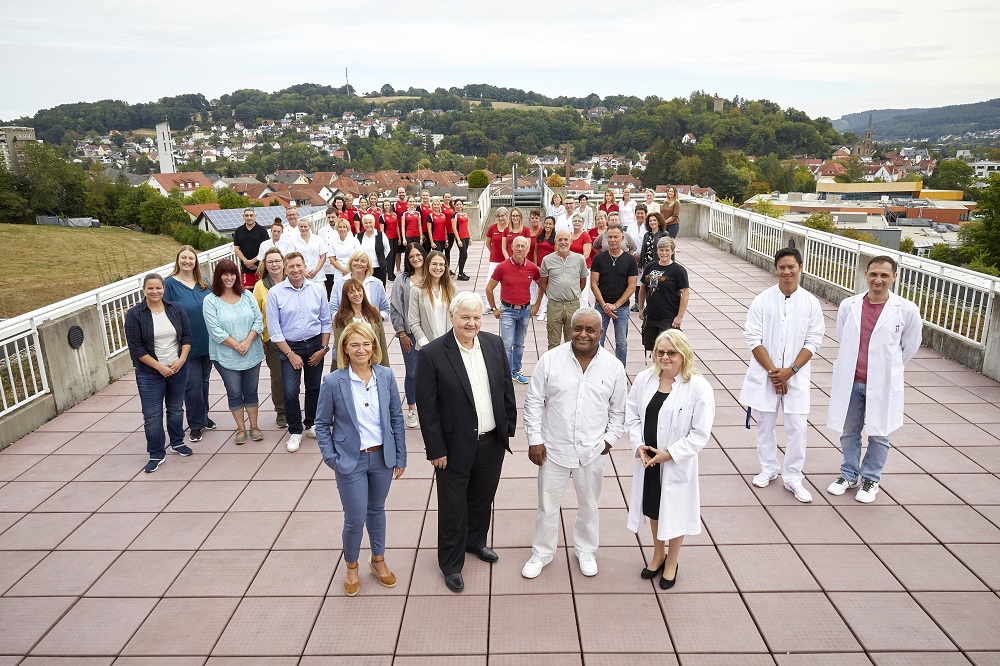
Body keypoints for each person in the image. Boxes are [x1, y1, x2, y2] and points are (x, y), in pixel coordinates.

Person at [416, 292, 516, 593]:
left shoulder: (494, 344)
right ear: (452, 318)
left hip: (490, 442)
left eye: (476, 317)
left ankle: (475, 542)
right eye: (465, 317)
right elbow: (427, 407)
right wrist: (436, 450)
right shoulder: (432, 353)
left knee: (482, 498)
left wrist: (507, 427)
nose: (471, 323)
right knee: (452, 506)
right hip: (453, 447)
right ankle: (450, 563)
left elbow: (505, 387)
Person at [521, 307, 627, 578]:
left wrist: (610, 439)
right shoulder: (550, 360)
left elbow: (619, 411)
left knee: (589, 504)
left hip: (593, 450)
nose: (583, 334)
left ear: (601, 333)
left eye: (590, 330)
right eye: (578, 328)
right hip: (553, 448)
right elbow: (534, 401)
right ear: (570, 329)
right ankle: (542, 552)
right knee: (547, 505)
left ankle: (586, 549)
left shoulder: (614, 366)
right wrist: (535, 439)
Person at [316, 322, 407, 595]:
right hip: (350, 461)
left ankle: (377, 559)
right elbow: (321, 424)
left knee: (377, 510)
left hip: (381, 458)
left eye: (366, 344)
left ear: (374, 347)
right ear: (344, 348)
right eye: (354, 344)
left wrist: (400, 455)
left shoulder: (386, 376)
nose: (361, 349)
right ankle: (352, 565)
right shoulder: (333, 381)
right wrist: (331, 457)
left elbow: (396, 419)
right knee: (355, 518)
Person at [826, 256, 923, 503]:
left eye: (884, 275)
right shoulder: (850, 305)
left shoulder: (906, 309)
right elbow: (843, 336)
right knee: (849, 431)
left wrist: (889, 369)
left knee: (879, 433)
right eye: (873, 274)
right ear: (866, 274)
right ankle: (848, 475)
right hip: (852, 380)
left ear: (894, 277)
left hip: (882, 383)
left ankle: (871, 479)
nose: (878, 279)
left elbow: (910, 346)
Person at [625, 329, 715, 589]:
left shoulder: (698, 387)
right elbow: (631, 416)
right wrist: (638, 445)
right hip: (648, 460)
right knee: (653, 507)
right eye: (660, 352)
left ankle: (672, 561)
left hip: (675, 463)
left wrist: (670, 454)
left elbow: (700, 434)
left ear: (684, 355)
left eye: (671, 352)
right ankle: (657, 555)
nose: (665, 357)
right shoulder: (644, 379)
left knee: (674, 511)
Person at [739, 248, 825, 503]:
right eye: (782, 267)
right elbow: (752, 337)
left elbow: (814, 340)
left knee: (797, 427)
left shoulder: (811, 302)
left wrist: (791, 371)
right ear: (776, 269)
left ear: (800, 267)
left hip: (796, 376)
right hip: (767, 373)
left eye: (791, 267)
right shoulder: (762, 300)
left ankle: (793, 477)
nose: (787, 272)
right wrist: (774, 373)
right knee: (765, 425)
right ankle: (768, 468)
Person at [265, 251, 333, 453]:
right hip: (290, 347)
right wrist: (290, 354)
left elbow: (325, 321)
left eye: (298, 266)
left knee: (314, 388)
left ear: (305, 267)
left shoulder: (317, 289)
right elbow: (274, 330)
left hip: (314, 345)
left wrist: (323, 348)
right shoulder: (275, 293)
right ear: (285, 269)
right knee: (290, 390)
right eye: (291, 266)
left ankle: (310, 423)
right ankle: (295, 431)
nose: (295, 270)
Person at [125, 273, 193, 473]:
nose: (155, 292)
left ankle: (177, 442)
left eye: (158, 288)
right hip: (150, 373)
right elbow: (136, 349)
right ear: (144, 289)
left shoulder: (175, 309)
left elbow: (187, 337)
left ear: (164, 288)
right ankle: (156, 452)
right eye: (150, 288)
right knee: (152, 415)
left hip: (177, 369)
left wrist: (181, 360)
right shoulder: (135, 314)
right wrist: (159, 367)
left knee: (175, 408)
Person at [203, 259, 266, 445]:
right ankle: (241, 428)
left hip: (251, 351)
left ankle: (254, 426)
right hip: (226, 355)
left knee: (251, 391)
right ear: (218, 276)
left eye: (232, 274)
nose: (229, 277)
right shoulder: (210, 300)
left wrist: (247, 342)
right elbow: (214, 329)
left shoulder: (247, 295)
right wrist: (237, 345)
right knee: (235, 391)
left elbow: (258, 320)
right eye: (225, 274)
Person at [163, 245, 216, 442]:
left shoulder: (204, 283)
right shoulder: (169, 284)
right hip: (185, 344)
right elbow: (164, 312)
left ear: (196, 262)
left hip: (206, 341)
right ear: (177, 260)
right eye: (183, 258)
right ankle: (195, 424)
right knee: (191, 385)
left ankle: (204, 416)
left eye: (191, 258)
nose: (187, 261)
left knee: (204, 382)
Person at [486, 236, 541, 384]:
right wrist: (493, 308)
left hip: (524, 311)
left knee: (520, 344)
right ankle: (506, 373)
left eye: (523, 246)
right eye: (517, 246)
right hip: (508, 311)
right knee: (507, 344)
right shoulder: (502, 267)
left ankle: (516, 371)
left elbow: (542, 285)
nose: (520, 249)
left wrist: (536, 305)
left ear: (527, 249)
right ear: (512, 247)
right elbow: (489, 288)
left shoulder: (532, 267)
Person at [591, 224, 638, 366]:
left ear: (622, 238)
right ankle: (598, 369)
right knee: (597, 341)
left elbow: (631, 286)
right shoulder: (599, 259)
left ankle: (620, 371)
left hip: (622, 308)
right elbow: (594, 284)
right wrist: (605, 305)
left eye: (615, 237)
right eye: (609, 237)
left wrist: (616, 305)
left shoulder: (630, 260)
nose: (612, 240)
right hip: (601, 306)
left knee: (621, 342)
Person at [390, 243, 426, 429]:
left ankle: (431, 407)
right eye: (411, 257)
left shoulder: (432, 275)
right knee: (412, 372)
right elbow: (395, 307)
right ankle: (412, 408)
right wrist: (401, 332)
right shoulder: (402, 279)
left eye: (418, 255)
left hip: (431, 333)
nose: (416, 259)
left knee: (433, 373)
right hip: (410, 334)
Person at [253, 247, 287, 428]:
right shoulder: (260, 286)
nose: (274, 264)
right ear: (265, 265)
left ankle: (295, 406)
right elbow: (256, 314)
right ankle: (281, 411)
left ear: (284, 263)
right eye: (270, 262)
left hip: (294, 337)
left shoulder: (293, 280)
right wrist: (260, 338)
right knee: (278, 376)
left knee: (296, 375)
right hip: (272, 339)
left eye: (277, 261)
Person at [537, 230, 588, 350]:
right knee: (553, 342)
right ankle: (553, 368)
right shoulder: (547, 260)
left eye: (566, 239)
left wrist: (572, 293)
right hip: (554, 305)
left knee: (573, 341)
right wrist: (554, 294)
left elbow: (583, 282)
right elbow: (543, 283)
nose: (563, 242)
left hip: (573, 305)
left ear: (571, 241)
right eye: (560, 240)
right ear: (555, 242)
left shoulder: (579, 259)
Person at [638, 237, 690, 352]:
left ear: (672, 251)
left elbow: (685, 294)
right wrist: (641, 308)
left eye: (667, 250)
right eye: (661, 250)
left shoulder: (678, 270)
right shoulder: (651, 267)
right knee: (653, 349)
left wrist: (679, 317)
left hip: (668, 317)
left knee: (668, 349)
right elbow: (643, 288)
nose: (664, 253)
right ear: (657, 251)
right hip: (651, 316)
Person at [332, 278, 390, 370]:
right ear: (346, 295)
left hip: (373, 362)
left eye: (359, 290)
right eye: (351, 292)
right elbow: (340, 345)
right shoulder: (340, 317)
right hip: (350, 366)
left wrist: (386, 367)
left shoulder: (374, 311)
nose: (357, 294)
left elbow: (382, 341)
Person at [408, 250, 454, 349]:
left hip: (449, 345)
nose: (438, 268)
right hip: (427, 346)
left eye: (441, 264)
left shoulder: (452, 288)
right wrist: (427, 346)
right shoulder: (416, 290)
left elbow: (457, 316)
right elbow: (414, 322)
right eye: (434, 264)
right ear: (427, 265)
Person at [329, 251, 390, 321]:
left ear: (368, 266)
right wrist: (343, 320)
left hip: (371, 328)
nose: (359, 263)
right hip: (345, 327)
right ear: (351, 263)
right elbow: (332, 309)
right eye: (356, 260)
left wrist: (375, 319)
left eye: (363, 261)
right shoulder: (339, 283)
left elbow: (385, 309)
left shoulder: (377, 284)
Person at [286, 208, 327, 288]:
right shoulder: (294, 241)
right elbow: (290, 258)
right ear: (298, 227)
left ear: (309, 227)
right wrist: (303, 272)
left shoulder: (318, 239)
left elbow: (323, 256)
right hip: (301, 275)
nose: (303, 228)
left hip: (318, 275)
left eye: (305, 226)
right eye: (301, 226)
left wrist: (316, 270)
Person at [232, 208, 268, 289]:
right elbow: (237, 249)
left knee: (261, 290)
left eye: (251, 215)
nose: (249, 218)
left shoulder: (262, 230)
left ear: (255, 216)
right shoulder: (239, 231)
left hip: (260, 268)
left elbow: (266, 249)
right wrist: (247, 262)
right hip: (245, 268)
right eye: (246, 215)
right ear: (243, 217)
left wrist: (253, 261)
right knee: (247, 291)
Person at [356, 213, 391, 286]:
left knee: (379, 289)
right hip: (363, 268)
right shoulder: (358, 236)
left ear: (374, 223)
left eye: (370, 222)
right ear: (363, 224)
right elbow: (355, 251)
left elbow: (387, 249)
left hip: (378, 267)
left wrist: (381, 258)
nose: (368, 225)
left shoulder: (381, 235)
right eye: (366, 223)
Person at [569, 214, 594, 307]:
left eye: (579, 221)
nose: (577, 223)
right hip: (570, 267)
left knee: (582, 293)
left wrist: (576, 264)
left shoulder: (585, 236)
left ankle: (583, 313)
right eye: (575, 221)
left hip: (583, 267)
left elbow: (586, 254)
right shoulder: (569, 235)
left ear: (583, 223)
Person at [485, 207, 511, 279]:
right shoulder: (492, 228)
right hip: (495, 259)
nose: (500, 218)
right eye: (498, 216)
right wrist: (493, 251)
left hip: (507, 260)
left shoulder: (511, 228)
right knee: (489, 282)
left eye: (502, 216)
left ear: (507, 216)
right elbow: (487, 243)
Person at [380, 199, 400, 281]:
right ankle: (389, 275)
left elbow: (397, 227)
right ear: (383, 207)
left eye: (388, 205)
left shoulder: (394, 215)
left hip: (395, 237)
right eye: (385, 205)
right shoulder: (382, 216)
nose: (387, 207)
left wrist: (399, 238)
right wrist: (383, 240)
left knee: (394, 255)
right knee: (389, 256)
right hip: (388, 238)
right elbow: (381, 230)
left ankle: (392, 272)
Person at [453, 199, 472, 281]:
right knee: (464, 255)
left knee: (462, 255)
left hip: (466, 237)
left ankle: (461, 272)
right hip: (460, 237)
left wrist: (470, 237)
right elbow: (454, 228)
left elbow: (467, 226)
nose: (459, 206)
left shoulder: (465, 214)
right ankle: (460, 274)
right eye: (457, 204)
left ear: (463, 205)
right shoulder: (454, 215)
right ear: (455, 206)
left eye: (460, 204)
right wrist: (458, 240)